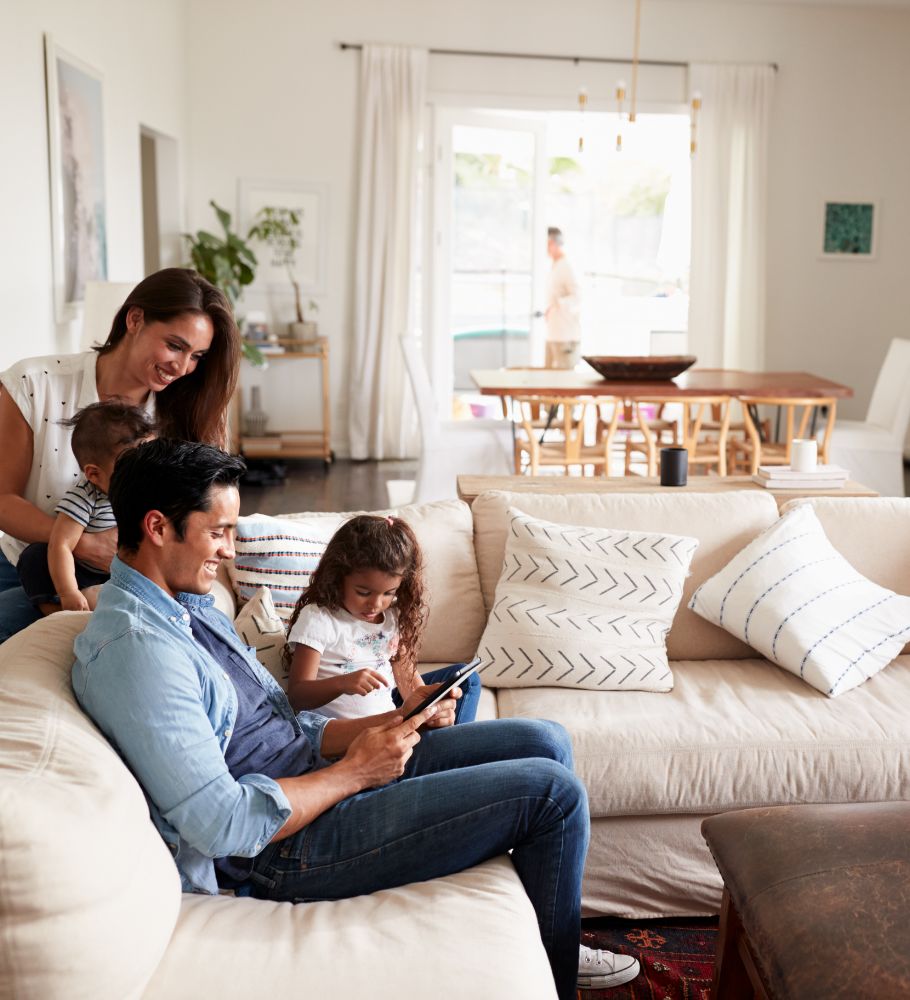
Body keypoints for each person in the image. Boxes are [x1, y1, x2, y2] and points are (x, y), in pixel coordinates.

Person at [71, 439, 640, 997]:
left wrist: (380, 729)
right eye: (217, 532)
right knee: (552, 794)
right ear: (157, 527)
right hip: (281, 847)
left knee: (544, 739)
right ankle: (560, 968)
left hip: (319, 776)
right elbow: (223, 826)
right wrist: (356, 773)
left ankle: (548, 930)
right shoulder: (139, 651)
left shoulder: (186, 608)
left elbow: (284, 724)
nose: (227, 551)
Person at [0, 267, 240, 643]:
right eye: (175, 345)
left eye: (197, 356)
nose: (182, 367)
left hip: (139, 574)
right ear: (135, 319)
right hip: (29, 565)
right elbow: (2, 499)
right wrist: (78, 541)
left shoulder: (184, 413)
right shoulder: (34, 384)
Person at [285, 513, 481, 724]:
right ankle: (451, 747)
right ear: (338, 577)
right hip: (355, 735)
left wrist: (430, 713)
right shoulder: (319, 619)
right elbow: (297, 696)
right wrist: (342, 683)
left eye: (388, 593)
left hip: (392, 722)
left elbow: (410, 687)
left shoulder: (391, 617)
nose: (376, 604)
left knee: (467, 681)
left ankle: (448, 741)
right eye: (363, 592)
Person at [16, 402, 155, 614]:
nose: (144, 475)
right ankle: (57, 612)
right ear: (94, 474)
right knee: (35, 556)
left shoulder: (150, 493)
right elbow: (61, 545)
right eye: (131, 467)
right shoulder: (85, 497)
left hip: (125, 574)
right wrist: (68, 591)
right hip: (82, 575)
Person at [545, 227, 583, 369]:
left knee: (564, 382)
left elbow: (578, 298)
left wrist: (557, 304)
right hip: (553, 334)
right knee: (548, 384)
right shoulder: (554, 266)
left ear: (551, 243)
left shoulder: (568, 266)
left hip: (566, 337)